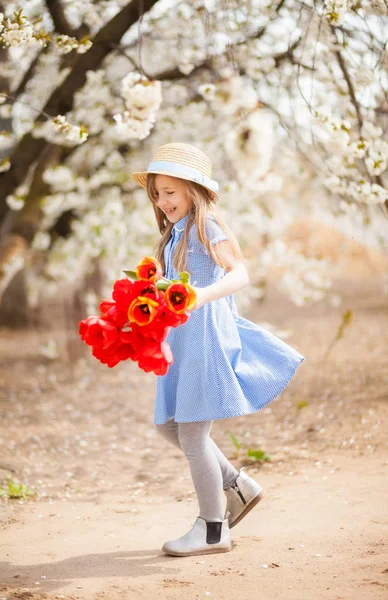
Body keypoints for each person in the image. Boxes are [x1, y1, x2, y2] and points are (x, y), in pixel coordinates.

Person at [132, 142, 304, 557]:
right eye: (157, 193)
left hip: (205, 337)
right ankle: (236, 485)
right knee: (168, 425)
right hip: (182, 340)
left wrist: (203, 294)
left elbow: (240, 274)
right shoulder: (174, 233)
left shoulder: (205, 225)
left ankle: (213, 529)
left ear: (194, 189)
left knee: (191, 432)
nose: (163, 201)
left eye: (170, 191)